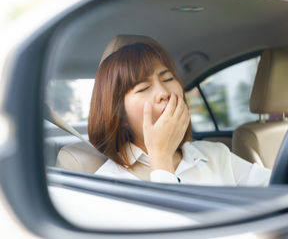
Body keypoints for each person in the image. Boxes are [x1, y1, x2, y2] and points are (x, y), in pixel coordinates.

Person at [89, 35, 271, 186]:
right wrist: (161, 157)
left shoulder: (216, 154)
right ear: (120, 116)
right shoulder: (107, 183)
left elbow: (279, 185)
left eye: (168, 78)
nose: (164, 93)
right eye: (143, 88)